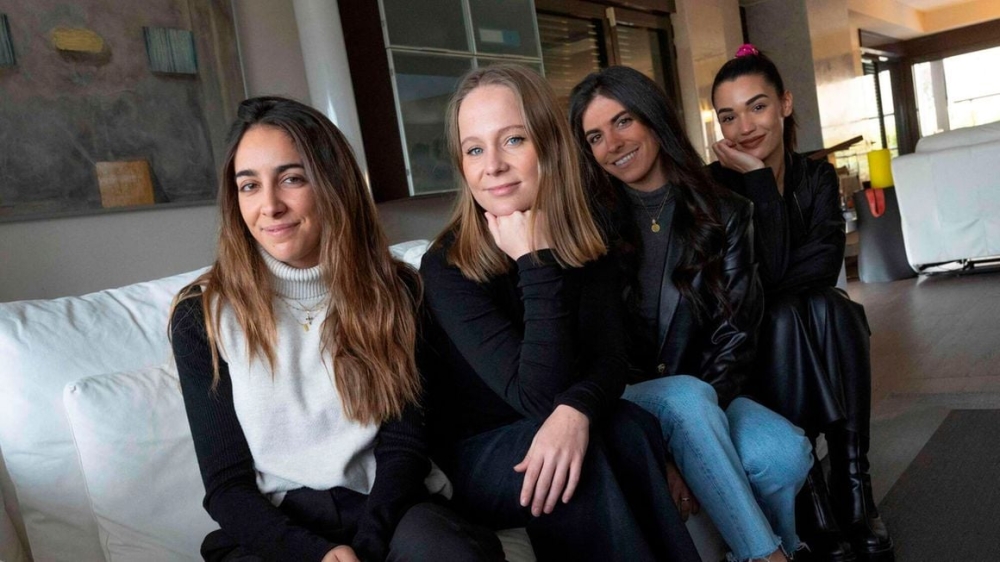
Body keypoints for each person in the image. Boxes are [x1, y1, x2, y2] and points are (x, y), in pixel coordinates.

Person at [169, 96, 505, 562]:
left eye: (292, 179)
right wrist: (316, 555)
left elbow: (404, 446)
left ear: (332, 183)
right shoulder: (200, 314)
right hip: (279, 529)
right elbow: (227, 485)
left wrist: (366, 546)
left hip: (388, 509)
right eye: (249, 186)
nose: (270, 206)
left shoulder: (397, 290)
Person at [419, 63, 699, 562]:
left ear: (549, 145)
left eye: (513, 140)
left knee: (631, 427)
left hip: (548, 422)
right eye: (474, 149)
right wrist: (535, 262)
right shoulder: (447, 265)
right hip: (477, 451)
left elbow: (610, 360)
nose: (493, 166)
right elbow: (535, 394)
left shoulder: (585, 236)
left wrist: (576, 412)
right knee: (577, 461)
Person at [570, 66, 813, 562]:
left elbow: (735, 339)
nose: (613, 144)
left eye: (623, 121)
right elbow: (587, 344)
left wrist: (690, 442)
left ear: (653, 118)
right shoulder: (585, 227)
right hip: (625, 395)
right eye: (595, 136)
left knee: (783, 454)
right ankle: (772, 557)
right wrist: (667, 444)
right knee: (683, 397)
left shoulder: (727, 212)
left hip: (708, 390)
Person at [709, 45, 894, 562]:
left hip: (800, 321)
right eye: (729, 116)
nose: (744, 126)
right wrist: (757, 180)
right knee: (798, 310)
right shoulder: (712, 187)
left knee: (832, 307)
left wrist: (771, 278)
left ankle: (852, 485)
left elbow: (821, 264)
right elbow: (747, 289)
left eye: (757, 106)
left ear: (785, 104)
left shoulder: (815, 177)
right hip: (743, 340)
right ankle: (811, 485)